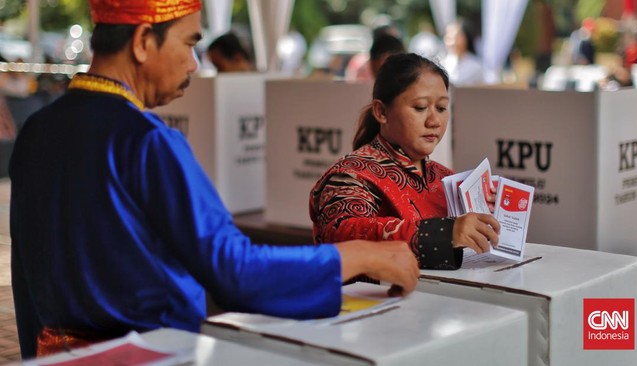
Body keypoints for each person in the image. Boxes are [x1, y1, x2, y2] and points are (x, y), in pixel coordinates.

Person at [10, 0, 419, 359]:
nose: (194, 64)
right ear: (142, 41)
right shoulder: (148, 140)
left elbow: (26, 279)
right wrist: (361, 256)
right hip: (151, 355)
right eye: (189, 44)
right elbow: (233, 270)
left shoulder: (38, 128)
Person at [310, 53, 500, 271]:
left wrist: (487, 217)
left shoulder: (445, 178)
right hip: (373, 302)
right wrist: (447, 233)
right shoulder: (351, 176)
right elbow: (344, 235)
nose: (434, 121)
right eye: (420, 108)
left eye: (441, 108)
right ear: (381, 112)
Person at [442, 19, 485, 86]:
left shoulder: (476, 67)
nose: (453, 42)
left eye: (456, 37)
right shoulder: (442, 64)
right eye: (449, 37)